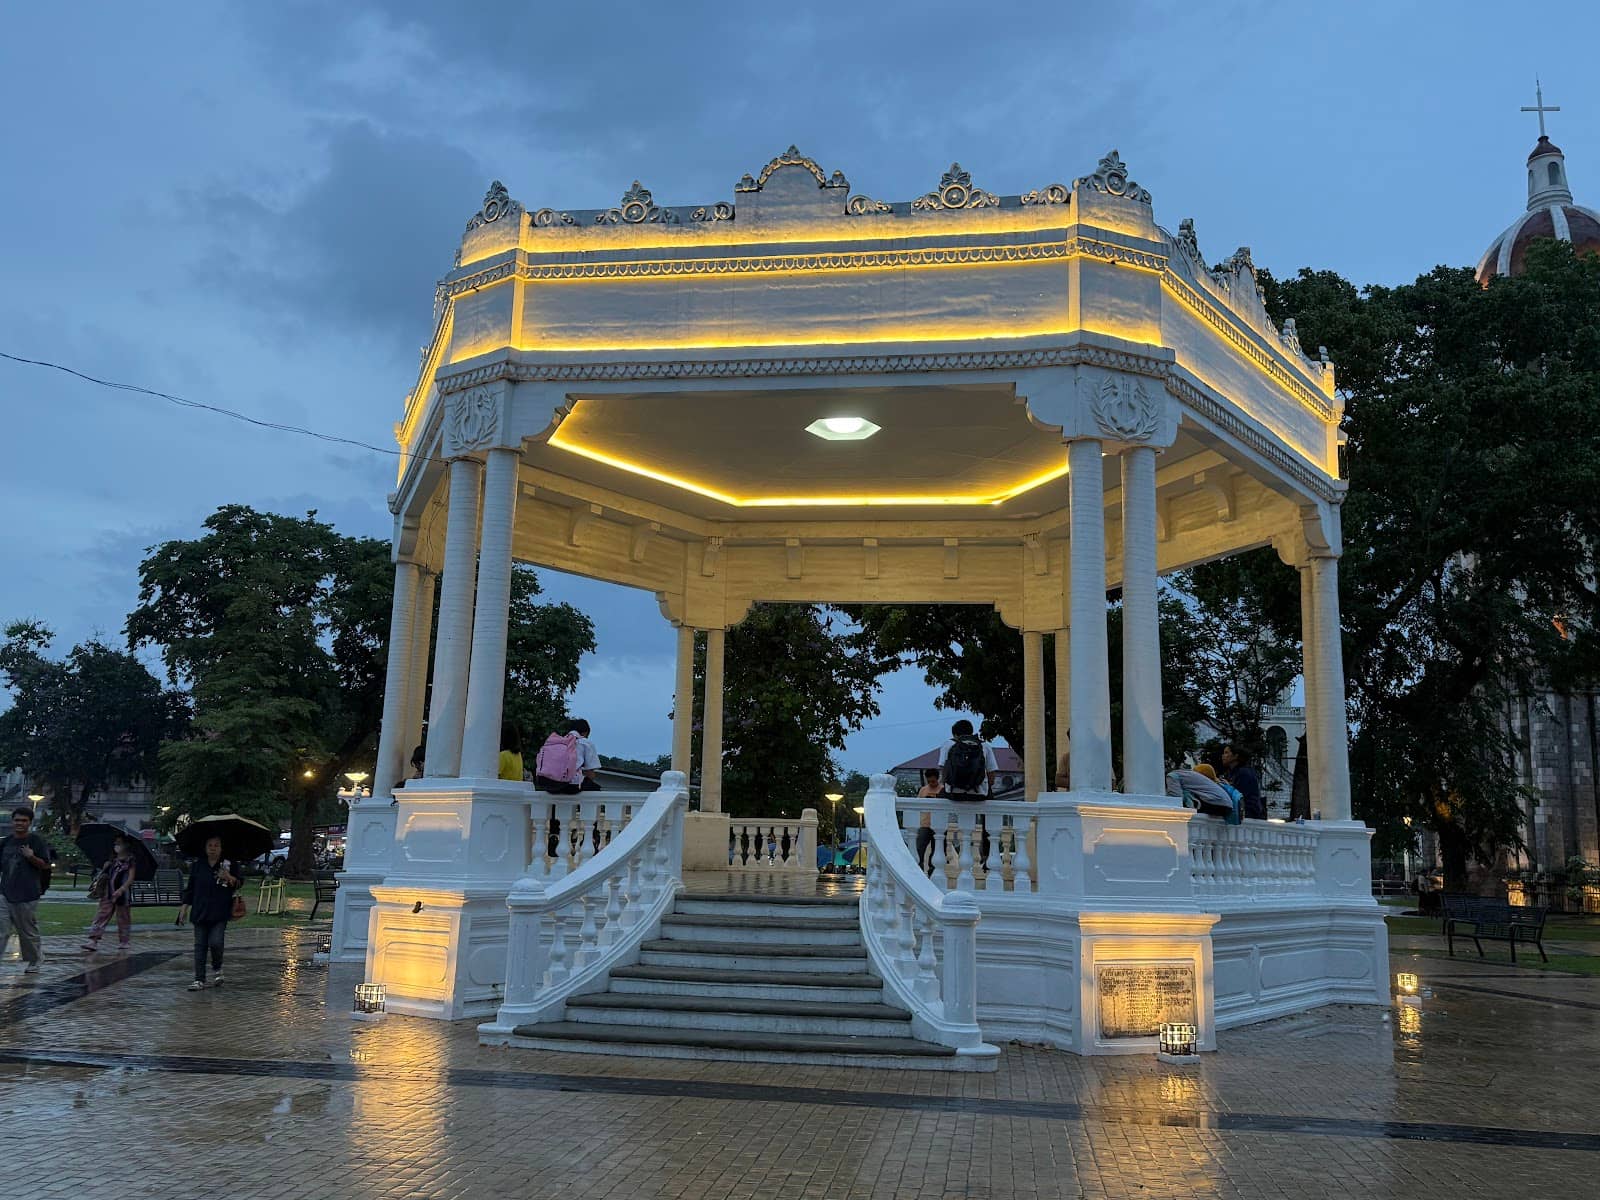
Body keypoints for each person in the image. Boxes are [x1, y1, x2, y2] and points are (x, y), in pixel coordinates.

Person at [178, 835, 241, 991]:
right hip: (200, 911)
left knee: (216, 942)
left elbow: (239, 883)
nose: (213, 848)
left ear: (221, 848)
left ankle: (217, 967)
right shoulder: (198, 865)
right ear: (205, 848)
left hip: (220, 911)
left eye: (216, 845)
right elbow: (190, 889)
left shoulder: (228, 864)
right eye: (210, 845)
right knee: (200, 945)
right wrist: (184, 908)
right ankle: (199, 979)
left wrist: (229, 877)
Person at [1, 806, 52, 975]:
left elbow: (45, 865)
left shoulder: (36, 841)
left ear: (30, 822)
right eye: (17, 820)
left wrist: (31, 856)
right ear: (12, 821)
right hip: (5, 892)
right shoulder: (6, 842)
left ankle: (35, 959)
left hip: (27, 893)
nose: (20, 823)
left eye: (24, 820)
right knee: (1, 930)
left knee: (26, 931)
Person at [939, 720, 997, 863]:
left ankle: (941, 848)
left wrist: (948, 786)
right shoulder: (984, 746)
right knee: (990, 815)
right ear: (971, 732)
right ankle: (987, 852)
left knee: (938, 811)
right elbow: (992, 775)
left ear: (955, 734)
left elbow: (943, 770)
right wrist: (982, 787)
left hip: (954, 794)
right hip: (979, 795)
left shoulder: (948, 744)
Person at [83, 836, 136, 953]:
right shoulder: (111, 860)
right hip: (108, 892)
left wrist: (121, 889)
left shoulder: (130, 860)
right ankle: (93, 940)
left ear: (126, 845)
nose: (116, 846)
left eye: (119, 843)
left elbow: (131, 877)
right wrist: (106, 866)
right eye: (115, 843)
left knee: (123, 917)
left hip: (122, 894)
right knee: (102, 915)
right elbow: (105, 874)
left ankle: (124, 941)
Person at [1165, 767, 1235, 817]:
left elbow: (1176, 799)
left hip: (1217, 804)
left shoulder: (1171, 776)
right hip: (1226, 806)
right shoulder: (1184, 773)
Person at [1223, 744, 1265, 820]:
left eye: (1226, 753)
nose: (1223, 756)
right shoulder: (1231, 773)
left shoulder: (1244, 773)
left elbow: (1239, 796)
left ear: (1235, 756)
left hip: (1248, 815)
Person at [914, 767, 943, 874]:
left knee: (937, 851)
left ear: (938, 779)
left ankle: (933, 873)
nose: (931, 783)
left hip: (939, 826)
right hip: (924, 824)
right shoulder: (923, 790)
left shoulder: (943, 790)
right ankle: (919, 872)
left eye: (933, 781)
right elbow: (917, 805)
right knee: (919, 849)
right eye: (929, 781)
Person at [568, 719, 601, 791]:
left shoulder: (561, 741)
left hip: (552, 784)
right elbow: (590, 772)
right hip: (572, 785)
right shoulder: (585, 743)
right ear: (585, 733)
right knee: (596, 789)